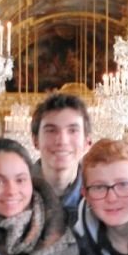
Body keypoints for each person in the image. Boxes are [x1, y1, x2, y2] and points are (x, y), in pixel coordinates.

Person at [32, 93, 93, 222]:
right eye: (51, 130)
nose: (62, 141)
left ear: (87, 142)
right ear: (35, 140)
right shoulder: (13, 194)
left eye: (72, 130)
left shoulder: (101, 197)